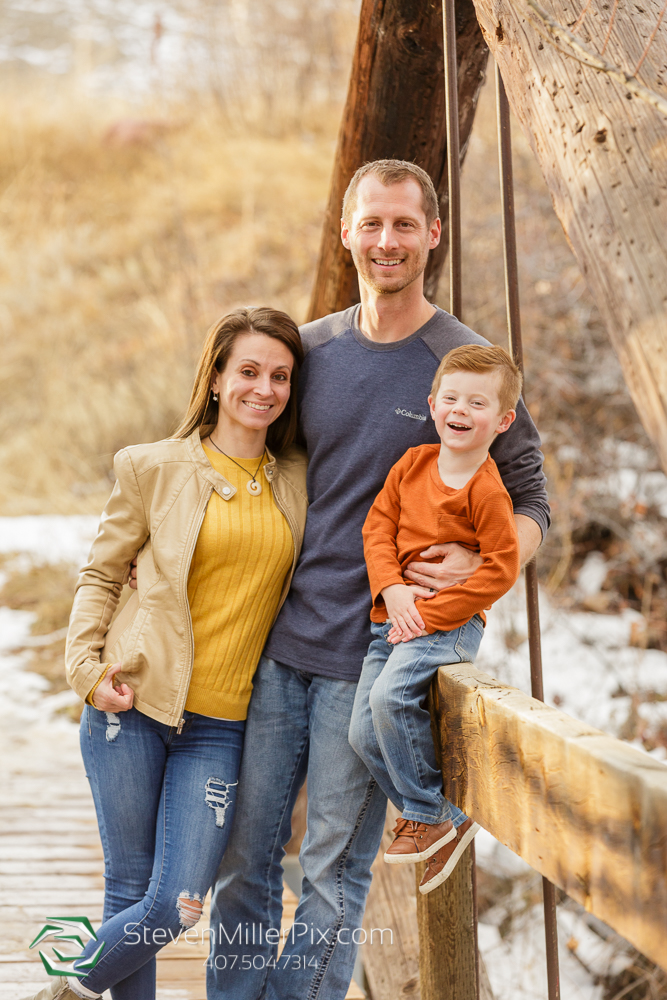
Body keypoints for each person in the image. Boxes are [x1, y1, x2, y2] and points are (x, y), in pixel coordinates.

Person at [206, 159, 549, 1000]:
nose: (386, 241)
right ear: (346, 232)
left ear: (433, 233)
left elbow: (533, 495)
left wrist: (488, 559)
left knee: (330, 871)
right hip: (276, 641)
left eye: (404, 224)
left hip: (374, 649)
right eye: (371, 224)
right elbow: (234, 455)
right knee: (245, 861)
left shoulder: (459, 363)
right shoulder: (309, 352)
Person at [24, 308, 308, 1000]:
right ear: (214, 378)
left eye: (279, 376)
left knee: (173, 905)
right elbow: (100, 573)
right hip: (131, 703)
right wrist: (85, 673)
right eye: (247, 371)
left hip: (219, 726)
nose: (263, 389)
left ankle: (64, 990)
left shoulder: (300, 478)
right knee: (127, 886)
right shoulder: (149, 467)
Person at [350, 344, 523, 895]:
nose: (461, 410)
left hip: (447, 625)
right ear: (432, 404)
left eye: (477, 402)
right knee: (360, 733)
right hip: (393, 618)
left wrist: (425, 616)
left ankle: (428, 815)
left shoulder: (487, 489)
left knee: (387, 701)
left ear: (502, 420)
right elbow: (377, 530)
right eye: (452, 397)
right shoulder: (413, 465)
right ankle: (442, 814)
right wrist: (393, 588)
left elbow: (499, 570)